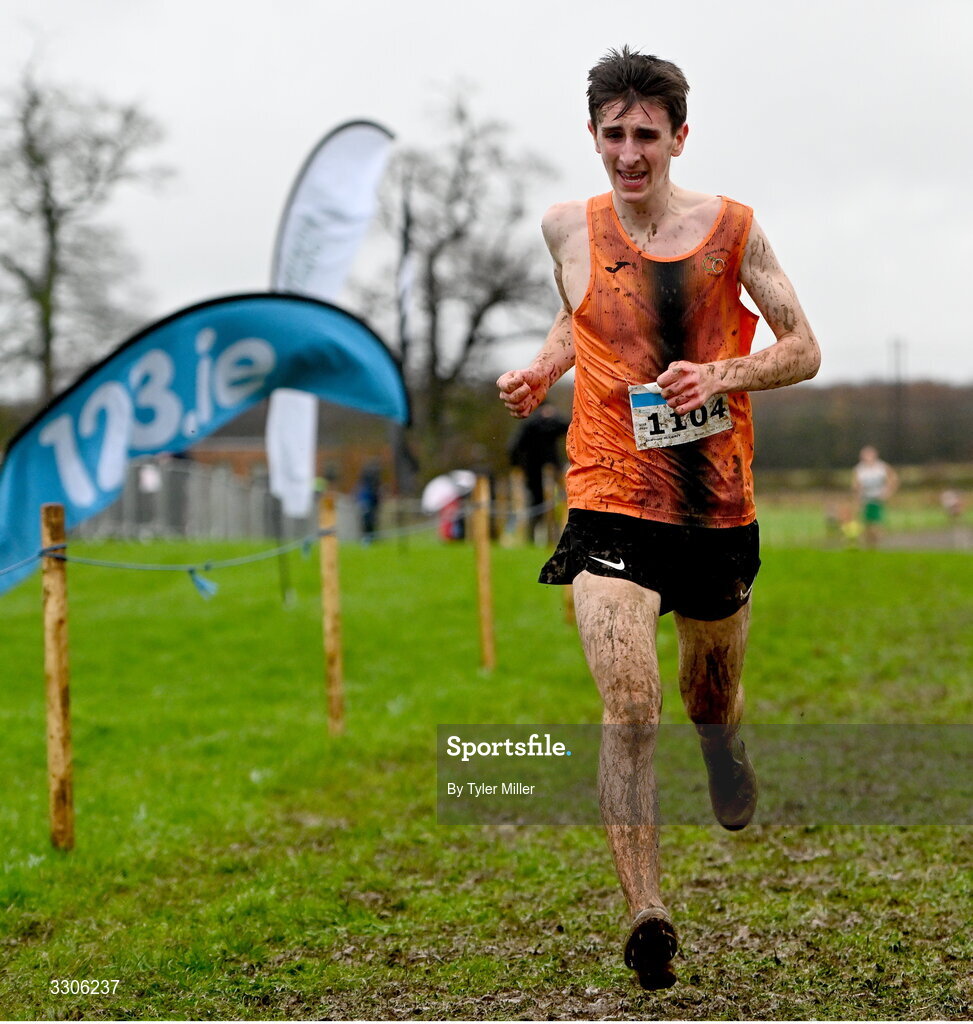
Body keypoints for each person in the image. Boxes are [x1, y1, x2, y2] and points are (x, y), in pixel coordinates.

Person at [497, 46, 820, 990]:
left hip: (715, 504)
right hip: (609, 493)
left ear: (679, 138)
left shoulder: (732, 232)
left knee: (702, 701)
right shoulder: (566, 227)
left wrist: (721, 371)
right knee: (629, 707)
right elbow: (582, 317)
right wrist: (543, 369)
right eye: (613, 135)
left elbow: (802, 347)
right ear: (592, 134)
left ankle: (721, 745)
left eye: (646, 136)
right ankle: (645, 909)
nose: (628, 154)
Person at [507, 402, 569, 542]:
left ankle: (552, 534)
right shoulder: (532, 424)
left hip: (551, 469)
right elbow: (515, 446)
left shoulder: (550, 423)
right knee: (537, 502)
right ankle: (534, 535)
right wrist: (517, 466)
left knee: (557, 501)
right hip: (534, 470)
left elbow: (567, 425)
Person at [852, 445, 897, 547]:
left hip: (877, 499)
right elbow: (855, 485)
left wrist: (888, 492)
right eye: (864, 455)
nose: (867, 457)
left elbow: (893, 479)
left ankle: (876, 543)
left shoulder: (881, 467)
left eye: (869, 455)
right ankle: (870, 546)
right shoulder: (859, 469)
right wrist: (857, 498)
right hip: (865, 499)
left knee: (876, 524)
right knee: (867, 525)